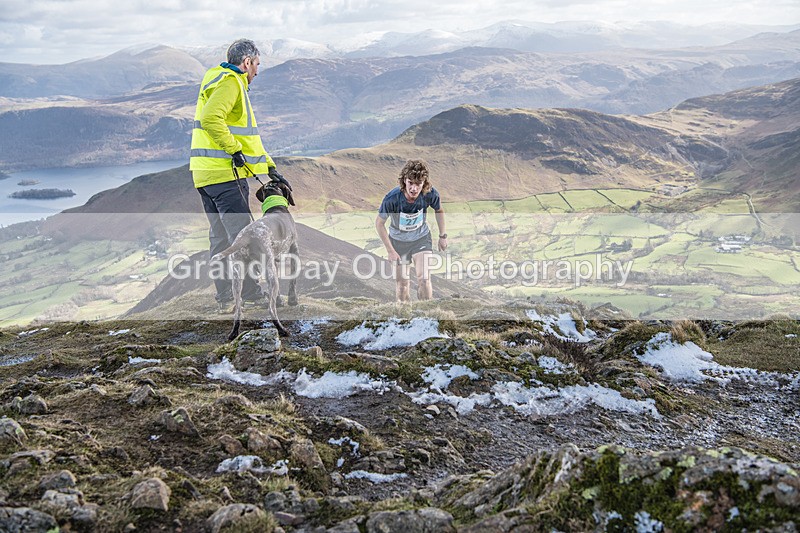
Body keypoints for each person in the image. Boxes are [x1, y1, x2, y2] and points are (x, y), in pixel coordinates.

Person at [189, 38, 288, 304]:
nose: (257, 71)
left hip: (204, 174)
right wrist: (232, 148)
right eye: (257, 65)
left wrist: (269, 167)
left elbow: (248, 140)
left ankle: (224, 294)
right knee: (243, 239)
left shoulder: (215, 78)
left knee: (220, 238)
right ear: (247, 63)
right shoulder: (232, 82)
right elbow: (211, 120)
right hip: (225, 176)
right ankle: (250, 293)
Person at [375, 159, 448, 302]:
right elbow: (379, 224)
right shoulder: (392, 199)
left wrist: (442, 236)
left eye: (418, 184)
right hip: (398, 242)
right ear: (404, 181)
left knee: (424, 278)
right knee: (402, 284)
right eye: (410, 183)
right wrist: (390, 251)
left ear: (424, 183)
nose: (414, 189)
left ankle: (427, 316)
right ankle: (405, 319)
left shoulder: (430, 194)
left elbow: (439, 210)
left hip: (421, 238)